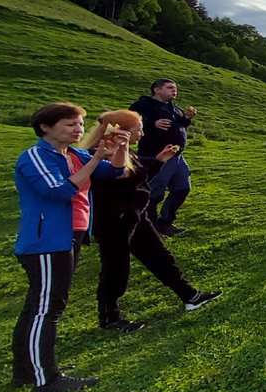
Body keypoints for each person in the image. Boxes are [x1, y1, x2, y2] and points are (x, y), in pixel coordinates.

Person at [12, 102, 127, 392]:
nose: (77, 130)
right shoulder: (36, 156)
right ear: (45, 128)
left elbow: (112, 173)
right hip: (47, 240)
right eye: (69, 125)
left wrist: (119, 149)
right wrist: (96, 157)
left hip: (69, 236)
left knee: (37, 306)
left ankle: (26, 370)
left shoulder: (74, 154)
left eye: (79, 124)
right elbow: (58, 191)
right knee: (47, 309)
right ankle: (46, 379)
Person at [85, 110, 222, 333]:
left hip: (136, 216)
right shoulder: (101, 154)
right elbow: (118, 175)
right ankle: (109, 317)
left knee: (160, 256)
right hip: (113, 221)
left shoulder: (127, 151)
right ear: (123, 131)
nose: (142, 132)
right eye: (138, 128)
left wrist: (158, 160)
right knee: (116, 268)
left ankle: (190, 296)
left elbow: (137, 169)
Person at [129, 78, 197, 236]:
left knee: (182, 188)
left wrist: (186, 118)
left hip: (177, 156)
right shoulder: (143, 106)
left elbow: (180, 125)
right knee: (154, 192)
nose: (174, 91)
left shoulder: (174, 108)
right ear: (156, 90)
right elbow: (131, 123)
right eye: (170, 88)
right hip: (154, 155)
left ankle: (165, 222)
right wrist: (151, 124)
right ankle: (149, 227)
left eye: (175, 88)